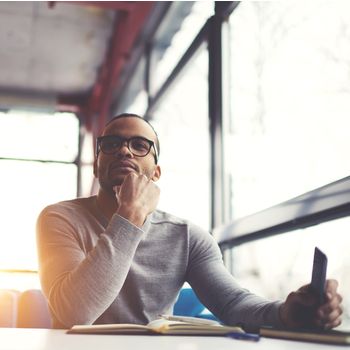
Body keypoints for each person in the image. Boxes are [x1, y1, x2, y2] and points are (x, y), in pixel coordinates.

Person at [36, 113, 343, 331]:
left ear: (156, 172)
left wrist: (286, 313)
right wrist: (129, 215)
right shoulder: (60, 218)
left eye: (140, 145)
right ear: (97, 165)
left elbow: (233, 304)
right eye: (111, 144)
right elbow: (73, 313)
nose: (124, 150)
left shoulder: (187, 237)